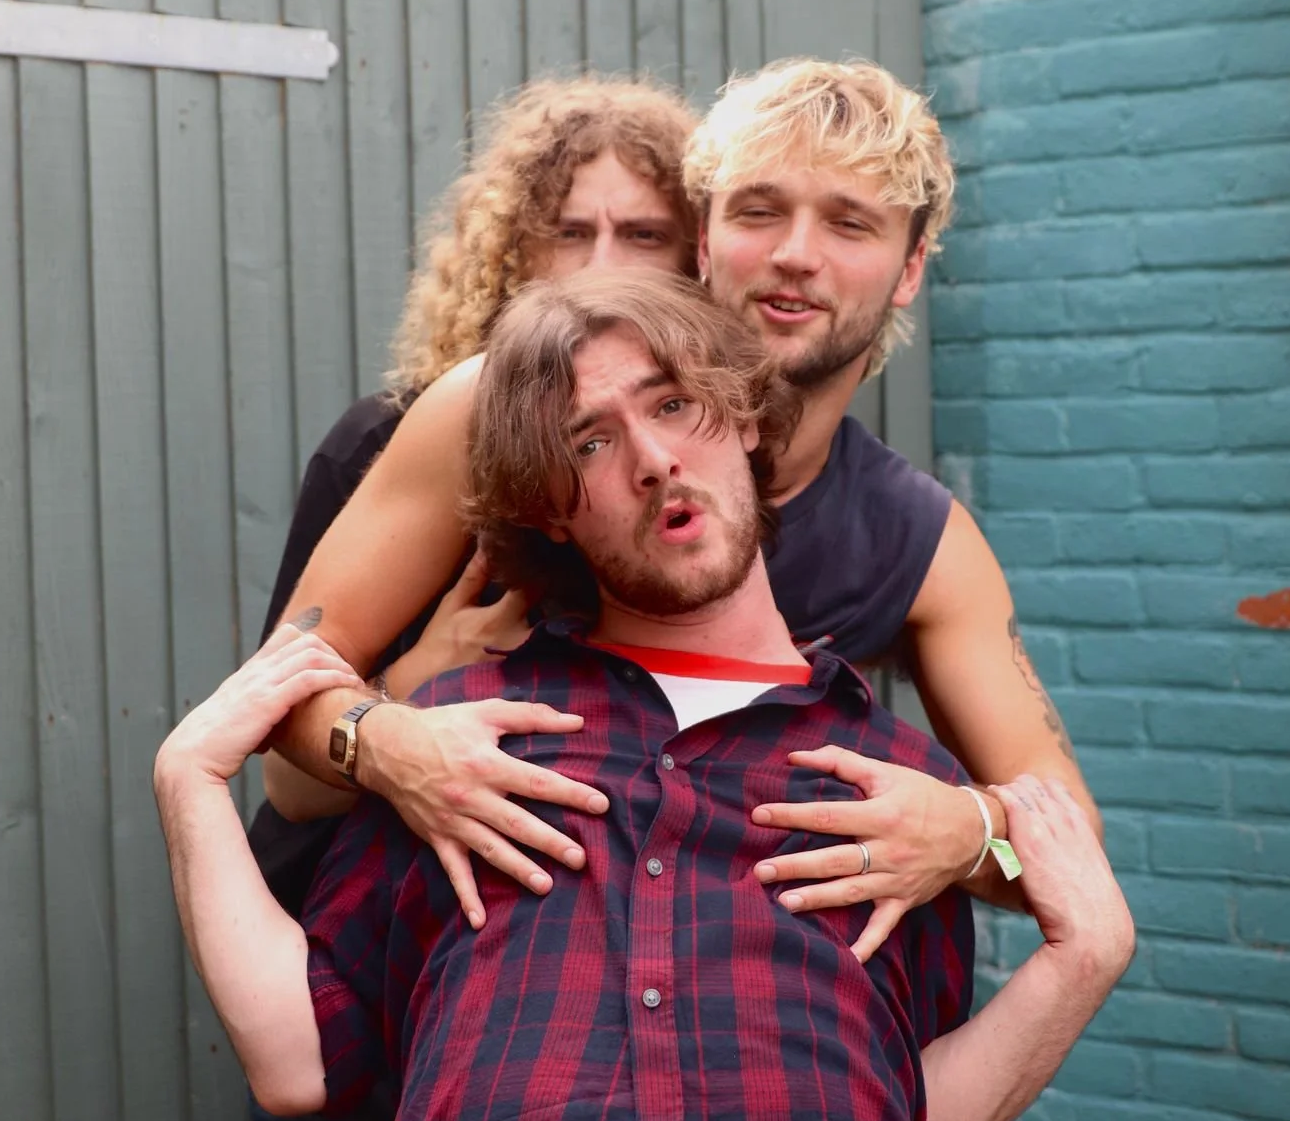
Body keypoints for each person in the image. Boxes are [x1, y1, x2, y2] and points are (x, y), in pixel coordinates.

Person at [155, 273, 1135, 1121]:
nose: (653, 458)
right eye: (588, 442)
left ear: (741, 421)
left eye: (673, 404)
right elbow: (297, 1056)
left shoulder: (896, 795)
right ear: (551, 507)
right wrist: (191, 778)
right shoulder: (469, 748)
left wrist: (1077, 954)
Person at [264, 58, 1097, 952]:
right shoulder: (487, 408)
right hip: (394, 987)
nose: (795, 253)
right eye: (759, 211)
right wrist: (392, 740)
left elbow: (1067, 855)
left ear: (909, 268)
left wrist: (969, 836)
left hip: (707, 1027)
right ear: (704, 242)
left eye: (850, 223)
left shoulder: (919, 543)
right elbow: (275, 716)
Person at [243, 76, 700, 1121]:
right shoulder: (395, 441)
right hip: (363, 960)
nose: (605, 264)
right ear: (508, 255)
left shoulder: (692, 470)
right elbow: (278, 760)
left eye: (646, 231)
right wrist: (414, 692)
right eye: (569, 232)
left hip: (573, 996)